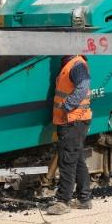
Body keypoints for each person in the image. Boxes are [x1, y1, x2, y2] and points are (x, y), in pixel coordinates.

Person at [46, 54, 93, 214]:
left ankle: (63, 202)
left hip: (73, 120)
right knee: (77, 159)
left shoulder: (76, 64)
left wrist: (68, 105)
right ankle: (84, 199)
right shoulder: (70, 64)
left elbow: (84, 84)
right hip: (76, 120)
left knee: (67, 161)